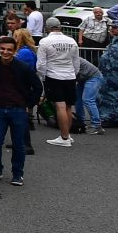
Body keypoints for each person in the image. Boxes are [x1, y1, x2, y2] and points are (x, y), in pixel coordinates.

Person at [0, 37, 43, 185]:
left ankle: (17, 173)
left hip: (18, 109)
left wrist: (29, 104)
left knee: (18, 143)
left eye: (9, 49)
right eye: (2, 49)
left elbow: (38, 87)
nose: (5, 52)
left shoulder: (23, 67)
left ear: (14, 51)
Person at [35, 18, 81, 147]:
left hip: (54, 75)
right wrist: (74, 73)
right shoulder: (71, 41)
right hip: (70, 75)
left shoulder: (44, 42)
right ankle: (67, 134)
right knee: (68, 107)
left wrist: (43, 77)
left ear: (47, 28)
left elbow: (41, 64)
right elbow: (76, 62)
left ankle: (64, 137)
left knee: (59, 106)